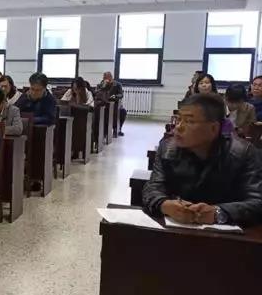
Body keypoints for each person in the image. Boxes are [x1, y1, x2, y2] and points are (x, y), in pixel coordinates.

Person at [143, 93, 262, 226]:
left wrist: (219, 213)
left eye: (189, 121)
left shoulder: (243, 153)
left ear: (214, 128)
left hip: (227, 233)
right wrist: (164, 205)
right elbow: (153, 187)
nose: (178, 127)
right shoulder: (167, 148)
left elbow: (257, 201)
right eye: (178, 120)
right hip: (178, 228)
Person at [96, 71, 126, 136]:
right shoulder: (100, 84)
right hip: (104, 103)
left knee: (123, 112)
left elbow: (121, 94)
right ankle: (105, 130)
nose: (104, 79)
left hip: (114, 103)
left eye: (106, 77)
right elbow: (96, 93)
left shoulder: (117, 84)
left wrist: (115, 96)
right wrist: (103, 87)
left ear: (111, 77)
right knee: (102, 110)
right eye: (104, 78)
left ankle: (117, 129)